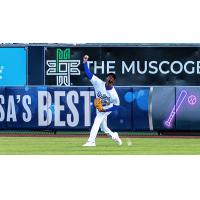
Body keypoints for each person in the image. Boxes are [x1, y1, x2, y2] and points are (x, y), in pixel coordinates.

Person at [82, 55, 122, 146]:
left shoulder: (114, 94)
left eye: (112, 78)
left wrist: (106, 110)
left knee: (97, 120)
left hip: (107, 108)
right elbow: (88, 74)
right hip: (99, 106)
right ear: (106, 78)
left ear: (114, 81)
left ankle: (91, 141)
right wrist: (85, 63)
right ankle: (114, 136)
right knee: (104, 128)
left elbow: (116, 106)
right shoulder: (98, 83)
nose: (110, 78)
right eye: (109, 77)